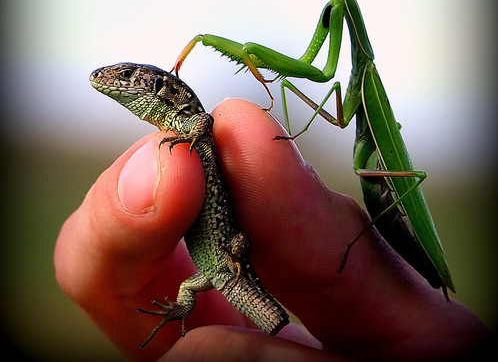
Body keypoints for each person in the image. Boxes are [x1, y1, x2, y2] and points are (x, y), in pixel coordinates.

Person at [54, 99, 491, 361]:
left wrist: (236, 260)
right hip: (219, 270)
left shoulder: (197, 126)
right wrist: (188, 302)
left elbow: (205, 124)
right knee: (216, 313)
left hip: (226, 264)